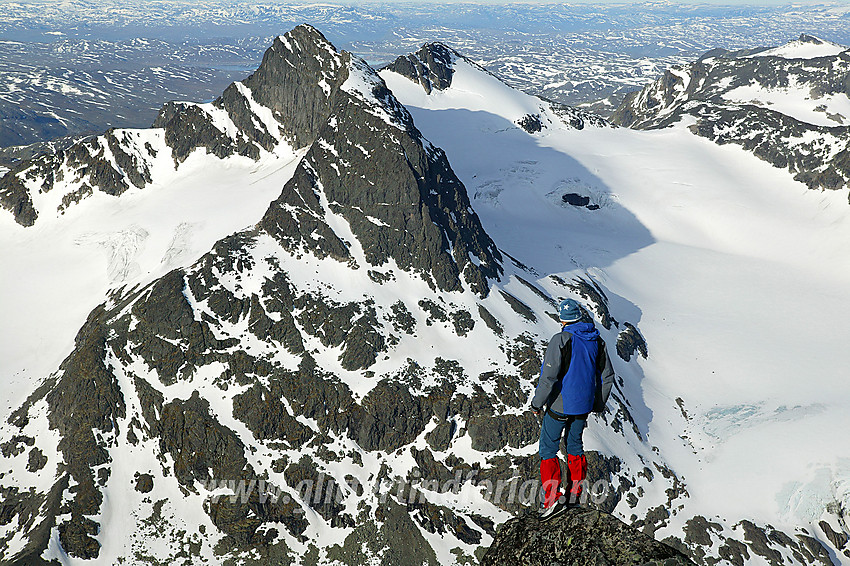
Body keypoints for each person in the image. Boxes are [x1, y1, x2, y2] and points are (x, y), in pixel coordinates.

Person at [530, 298, 615, 520]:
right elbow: (607, 377)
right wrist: (597, 403)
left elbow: (548, 378)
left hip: (560, 405)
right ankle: (574, 497)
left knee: (548, 450)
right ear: (580, 316)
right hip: (583, 407)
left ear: (561, 318)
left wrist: (537, 404)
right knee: (575, 447)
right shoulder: (597, 341)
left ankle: (550, 500)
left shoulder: (561, 339)